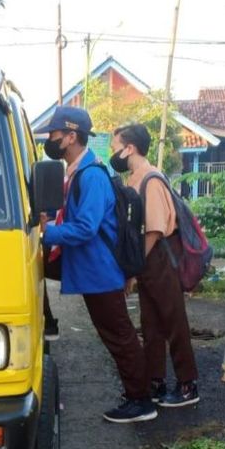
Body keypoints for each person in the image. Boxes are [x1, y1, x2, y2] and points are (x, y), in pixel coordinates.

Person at [36, 106, 155, 423]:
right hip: (91, 269)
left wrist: (47, 233)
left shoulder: (90, 175)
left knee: (119, 335)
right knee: (117, 334)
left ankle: (140, 401)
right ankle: (137, 394)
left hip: (99, 271)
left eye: (54, 135)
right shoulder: (78, 171)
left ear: (71, 136)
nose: (50, 140)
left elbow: (86, 228)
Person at [109, 124, 200, 408]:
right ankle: (156, 381)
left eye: (115, 148)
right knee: (151, 324)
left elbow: (155, 229)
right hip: (149, 259)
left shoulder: (151, 179)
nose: (114, 154)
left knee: (172, 321)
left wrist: (135, 266)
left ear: (130, 148)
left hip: (159, 256)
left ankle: (188, 385)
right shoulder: (135, 179)